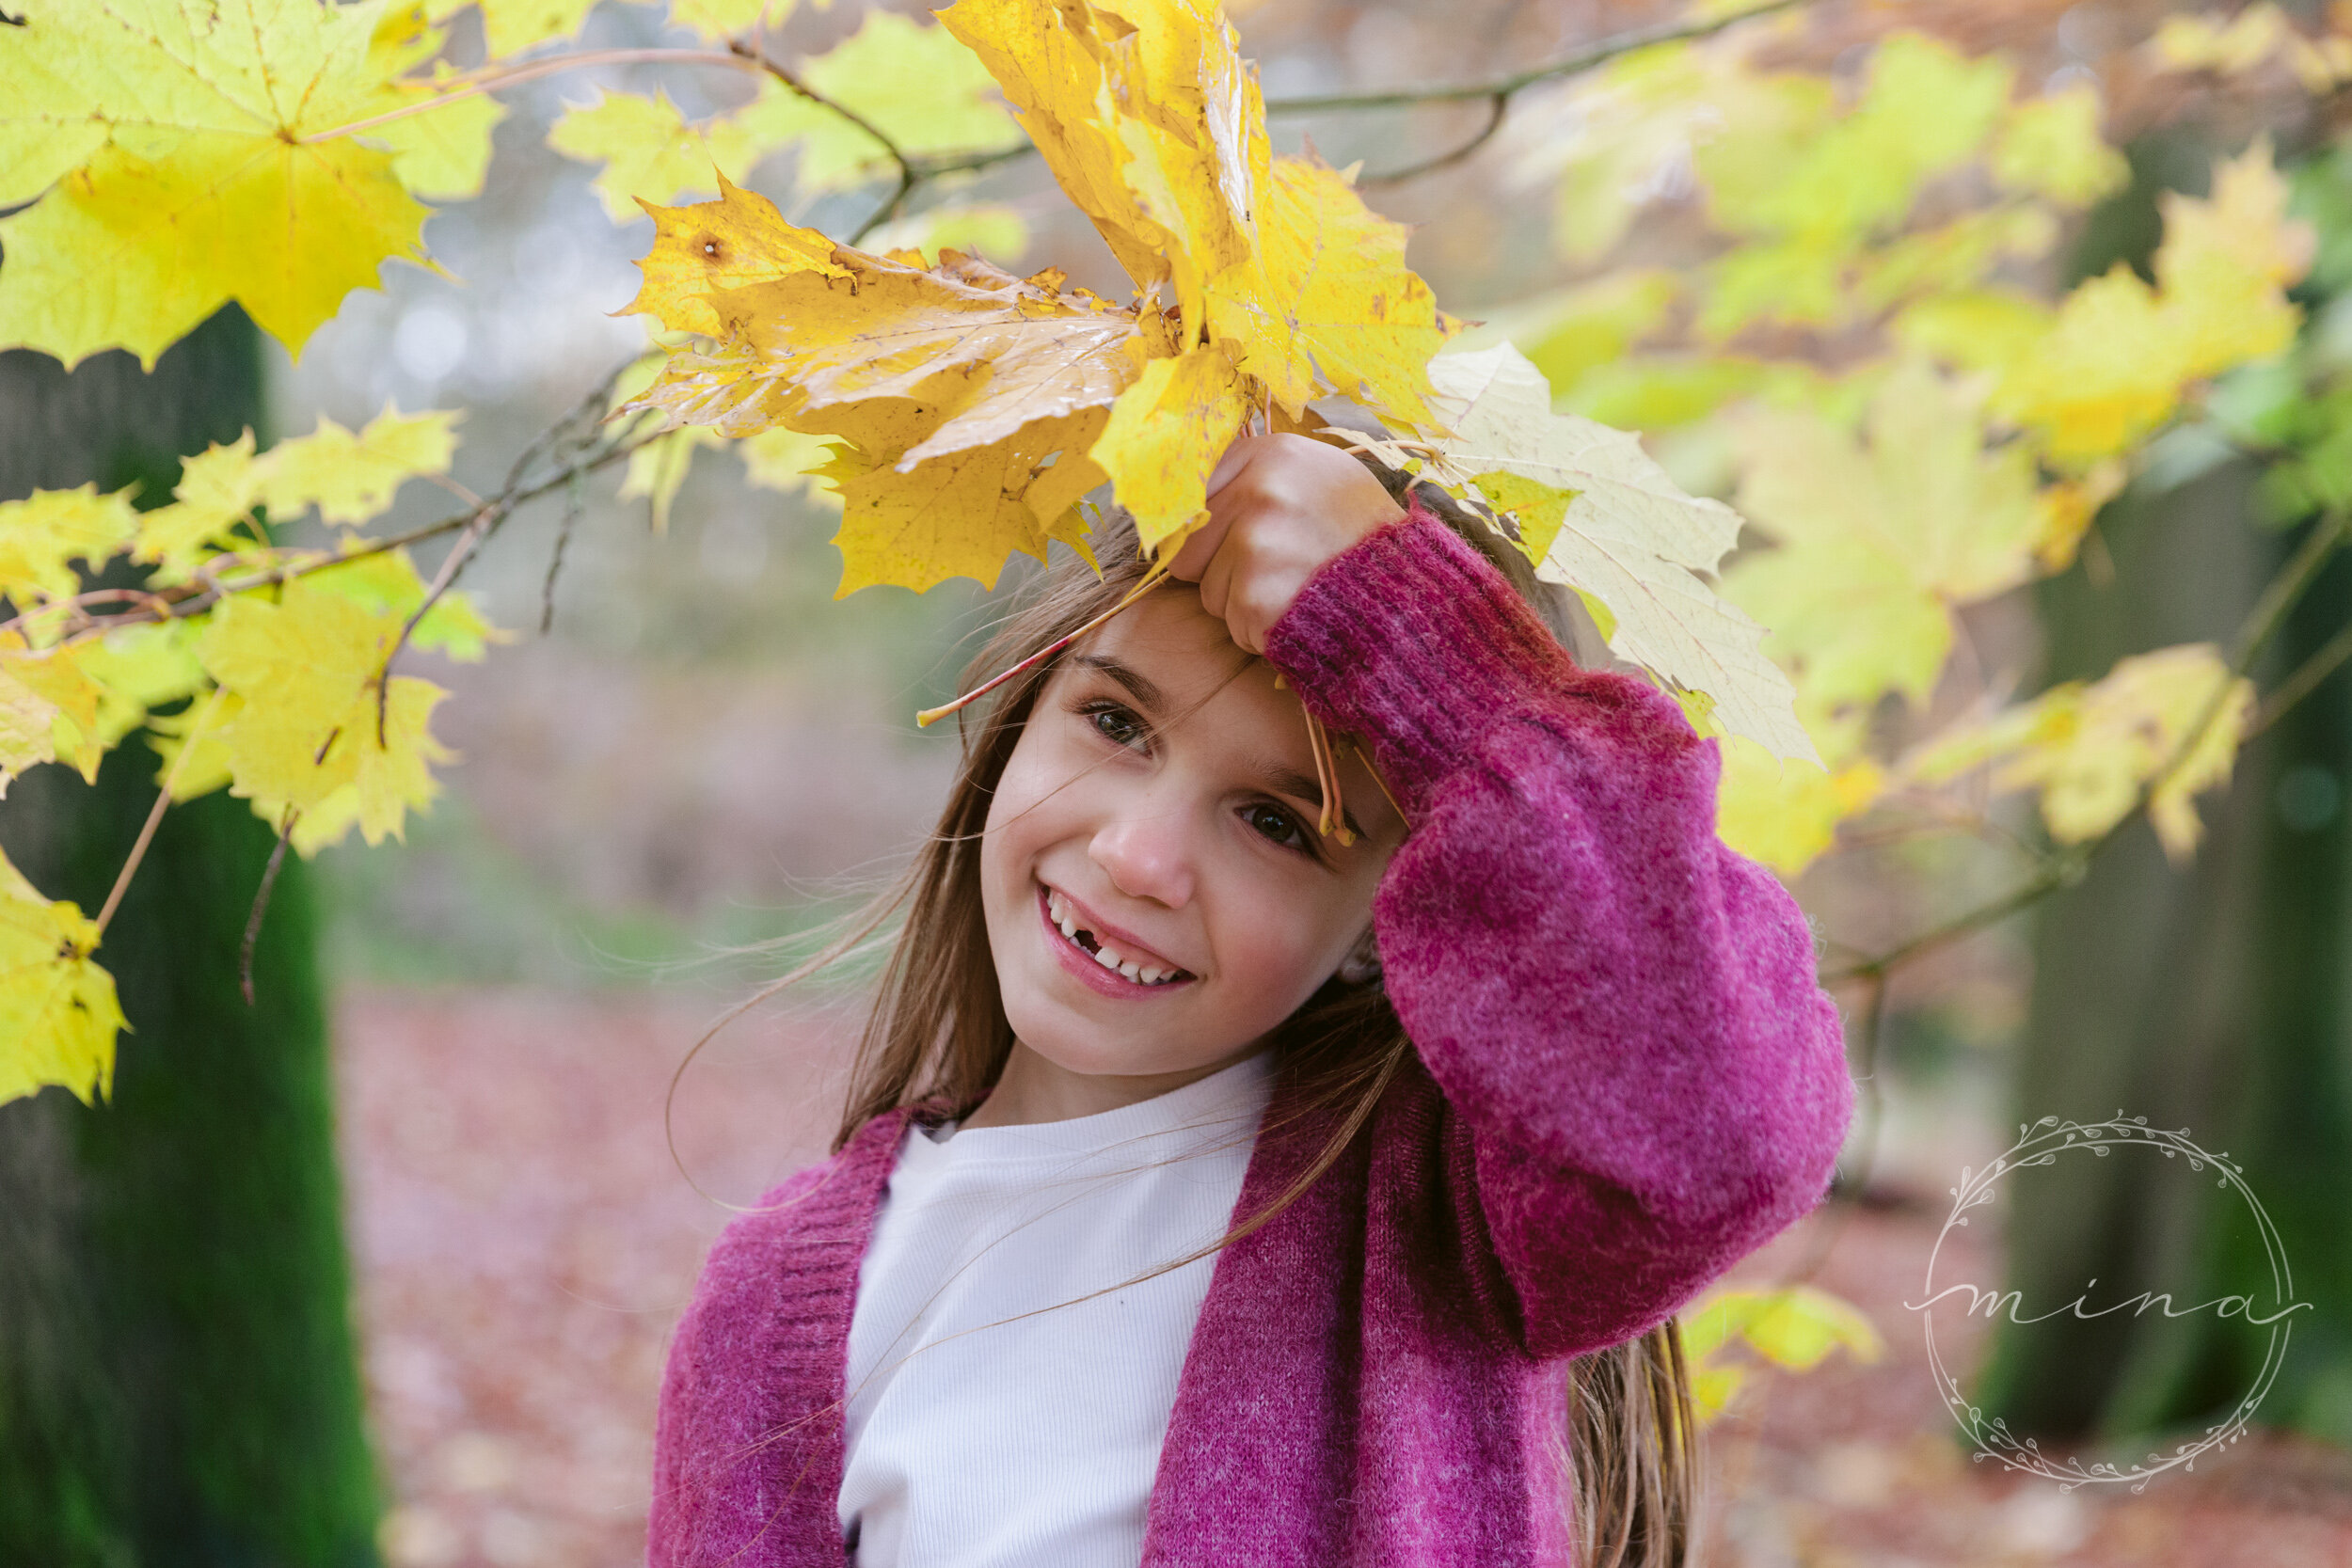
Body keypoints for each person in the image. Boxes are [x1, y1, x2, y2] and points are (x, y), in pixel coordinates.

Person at [647, 433, 1855, 1568]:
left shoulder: (1436, 1214)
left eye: (1277, 824)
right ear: (1019, 715)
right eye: (1115, 722)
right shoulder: (766, 1304)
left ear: (1393, 922)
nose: (1137, 856)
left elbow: (1719, 1129)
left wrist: (1418, 641)